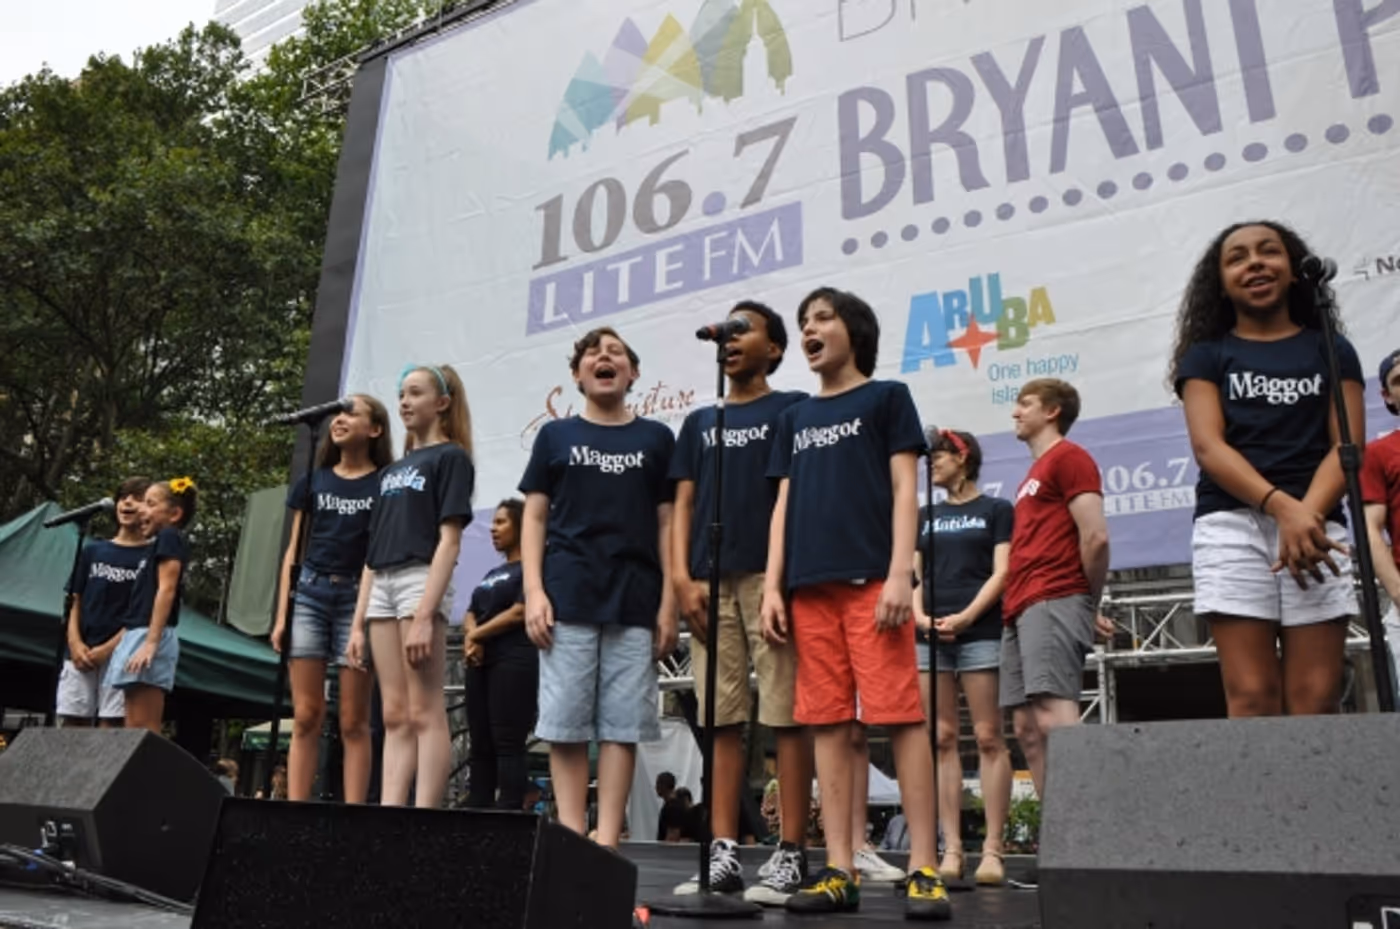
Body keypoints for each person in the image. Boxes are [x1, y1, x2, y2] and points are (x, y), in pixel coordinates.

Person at [761, 287, 949, 920]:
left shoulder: (887, 397)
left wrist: (900, 574)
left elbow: (904, 490)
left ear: (855, 330)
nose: (810, 329)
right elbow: (783, 505)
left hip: (873, 583)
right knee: (829, 723)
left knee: (901, 717)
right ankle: (839, 867)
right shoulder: (793, 417)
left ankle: (923, 865)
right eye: (804, 322)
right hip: (808, 589)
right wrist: (772, 585)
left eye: (823, 317)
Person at [1171, 221, 1363, 717]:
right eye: (1237, 258)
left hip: (1317, 525)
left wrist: (1306, 515)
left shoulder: (1331, 348)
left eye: (1268, 252)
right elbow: (1209, 448)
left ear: (1295, 270)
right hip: (1233, 525)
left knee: (1315, 700)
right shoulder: (1206, 355)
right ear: (1220, 283)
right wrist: (1283, 509)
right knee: (1252, 697)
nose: (1255, 262)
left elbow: (1347, 445)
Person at [668, 299, 812, 902]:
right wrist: (681, 578)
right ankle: (722, 850)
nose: (730, 337)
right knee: (719, 717)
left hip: (771, 580)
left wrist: (781, 579)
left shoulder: (793, 409)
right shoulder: (701, 420)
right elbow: (683, 502)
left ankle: (792, 850)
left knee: (786, 713)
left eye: (744, 328)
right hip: (709, 581)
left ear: (774, 349)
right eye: (725, 329)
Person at [521, 327, 678, 849]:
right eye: (592, 352)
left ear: (633, 373)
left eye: (615, 352)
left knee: (622, 724)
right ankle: (571, 836)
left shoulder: (657, 439)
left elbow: (667, 523)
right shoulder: (555, 436)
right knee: (564, 721)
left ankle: (607, 838)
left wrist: (669, 603)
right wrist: (534, 591)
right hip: (567, 595)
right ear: (577, 375)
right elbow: (535, 517)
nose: (604, 357)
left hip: (635, 596)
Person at [347, 364, 475, 808]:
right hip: (381, 583)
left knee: (425, 709)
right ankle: (390, 814)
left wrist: (425, 613)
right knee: (394, 713)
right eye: (401, 393)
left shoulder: (451, 457)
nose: (405, 401)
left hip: (419, 577)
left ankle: (425, 818)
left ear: (442, 403)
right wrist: (357, 623)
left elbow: (450, 540)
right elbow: (372, 551)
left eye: (416, 393)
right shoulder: (389, 473)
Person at [272, 395, 393, 803]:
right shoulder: (314, 480)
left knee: (354, 720)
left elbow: (378, 551)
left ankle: (353, 813)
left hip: (358, 598)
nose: (339, 419)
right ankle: (296, 809)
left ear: (374, 429)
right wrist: (282, 614)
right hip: (309, 594)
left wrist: (363, 616)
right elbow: (294, 550)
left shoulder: (384, 483)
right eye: (337, 413)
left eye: (351, 413)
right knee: (306, 715)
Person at [1001, 379, 1109, 807]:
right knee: (1027, 729)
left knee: (1053, 717)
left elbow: (1095, 537)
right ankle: (1059, 834)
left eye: (1025, 404)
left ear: (1052, 411)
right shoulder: (1033, 474)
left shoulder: (1070, 457)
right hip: (1020, 604)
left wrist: (1087, 603)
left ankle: (1088, 830)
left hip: (1052, 593)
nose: (1015, 412)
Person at [917, 430, 1013, 886]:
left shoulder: (997, 509)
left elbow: (1003, 572)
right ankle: (951, 847)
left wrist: (968, 616)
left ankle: (992, 849)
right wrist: (920, 618)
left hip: (980, 631)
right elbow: (912, 576)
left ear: (963, 456)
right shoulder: (924, 515)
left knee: (989, 735)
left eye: (938, 455)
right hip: (928, 636)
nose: (931, 463)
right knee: (941, 737)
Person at [105, 477, 198, 733]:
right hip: (136, 631)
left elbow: (167, 589)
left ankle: (149, 762)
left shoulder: (169, 537)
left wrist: (151, 643)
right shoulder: (154, 544)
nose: (142, 510)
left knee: (144, 727)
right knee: (131, 726)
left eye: (150, 504)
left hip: (150, 633)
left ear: (174, 514)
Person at [58, 476, 151, 728]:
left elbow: (143, 613)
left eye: (137, 498)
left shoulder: (150, 557)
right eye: (123, 497)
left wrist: (108, 649)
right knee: (72, 719)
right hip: (81, 649)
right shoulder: (93, 550)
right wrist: (75, 643)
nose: (127, 502)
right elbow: (75, 598)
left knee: (111, 725)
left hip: (122, 653)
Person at [462, 499, 537, 811]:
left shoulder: (532, 569)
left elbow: (520, 611)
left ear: (520, 526)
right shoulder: (492, 573)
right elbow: (470, 611)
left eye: (501, 522)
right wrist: (473, 637)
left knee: (507, 740)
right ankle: (478, 806)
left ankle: (508, 807)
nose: (493, 529)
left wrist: (477, 635)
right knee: (479, 740)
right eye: (493, 522)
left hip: (513, 659)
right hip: (480, 661)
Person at [1362, 348, 1400, 692]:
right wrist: (1399, 592)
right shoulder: (1377, 453)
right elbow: (1371, 530)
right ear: (1386, 396)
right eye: (1399, 381)